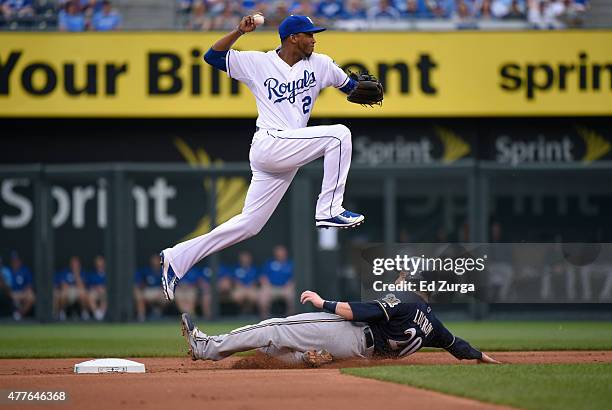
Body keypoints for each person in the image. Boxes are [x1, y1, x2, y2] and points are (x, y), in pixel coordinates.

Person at [160, 14, 368, 301]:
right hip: (269, 142)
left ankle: (176, 258)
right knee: (339, 135)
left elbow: (350, 87)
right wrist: (237, 31)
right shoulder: (258, 63)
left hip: (287, 152)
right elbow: (212, 57)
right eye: (309, 34)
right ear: (293, 37)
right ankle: (328, 209)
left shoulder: (321, 64)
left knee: (250, 224)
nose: (314, 38)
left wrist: (359, 89)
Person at [180, 288, 500, 367]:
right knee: (271, 348)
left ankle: (205, 347)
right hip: (361, 355)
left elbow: (355, 311)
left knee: (276, 327)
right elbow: (458, 346)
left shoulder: (403, 301)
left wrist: (323, 303)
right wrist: (482, 356)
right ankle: (305, 359)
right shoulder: (433, 324)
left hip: (350, 333)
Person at [259, 245, 294, 317]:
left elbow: (294, 278)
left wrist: (290, 285)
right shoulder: (269, 263)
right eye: (278, 252)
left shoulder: (290, 264)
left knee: (291, 295)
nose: (280, 254)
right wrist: (266, 286)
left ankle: (290, 317)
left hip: (285, 288)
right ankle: (264, 318)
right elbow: (263, 277)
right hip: (271, 287)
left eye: (282, 252)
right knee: (263, 295)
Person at [134, 254, 168, 322]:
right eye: (153, 260)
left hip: (160, 291)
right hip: (148, 291)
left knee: (168, 295)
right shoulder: (145, 270)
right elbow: (139, 283)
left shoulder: (164, 270)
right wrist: (143, 286)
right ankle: (141, 316)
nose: (155, 261)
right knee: (138, 294)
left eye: (156, 260)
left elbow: (167, 284)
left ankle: (157, 312)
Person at [54, 256, 89, 320]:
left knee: (83, 293)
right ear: (70, 264)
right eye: (73, 263)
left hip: (77, 291)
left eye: (76, 264)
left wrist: (76, 275)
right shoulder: (65, 271)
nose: (74, 265)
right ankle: (61, 312)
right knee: (63, 294)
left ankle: (84, 312)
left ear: (79, 264)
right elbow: (63, 285)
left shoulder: (82, 272)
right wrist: (68, 287)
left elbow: (82, 286)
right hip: (67, 290)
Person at [9, 251, 35, 321]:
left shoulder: (25, 270)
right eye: (13, 260)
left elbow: (29, 285)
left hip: (22, 293)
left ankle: (19, 314)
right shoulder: (8, 271)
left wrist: (23, 293)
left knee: (31, 296)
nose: (15, 262)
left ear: (20, 261)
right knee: (12, 295)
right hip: (10, 293)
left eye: (16, 260)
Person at [86, 255, 107, 321]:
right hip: (94, 292)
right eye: (98, 264)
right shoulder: (92, 274)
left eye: (101, 264)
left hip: (104, 292)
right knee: (90, 296)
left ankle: (102, 313)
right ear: (96, 265)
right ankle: (97, 314)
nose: (100, 266)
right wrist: (96, 288)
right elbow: (88, 286)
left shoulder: (109, 274)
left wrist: (103, 288)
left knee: (105, 294)